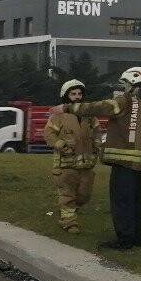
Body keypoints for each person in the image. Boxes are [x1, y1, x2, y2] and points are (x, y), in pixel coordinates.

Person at [53, 67, 141, 249]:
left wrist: (67, 107)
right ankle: (137, 238)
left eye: (125, 84)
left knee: (121, 201)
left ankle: (124, 240)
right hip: (139, 164)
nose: (124, 87)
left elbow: (99, 107)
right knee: (135, 201)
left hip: (122, 162)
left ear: (133, 83)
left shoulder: (126, 101)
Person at [43, 80, 100, 233]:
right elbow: (48, 134)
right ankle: (69, 222)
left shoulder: (89, 115)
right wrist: (61, 145)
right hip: (65, 164)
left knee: (84, 195)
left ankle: (69, 210)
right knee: (67, 194)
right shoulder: (59, 115)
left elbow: (97, 132)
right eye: (73, 94)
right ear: (66, 95)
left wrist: (97, 146)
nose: (77, 97)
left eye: (79, 94)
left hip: (86, 164)